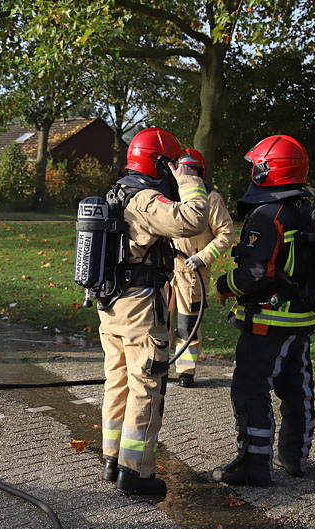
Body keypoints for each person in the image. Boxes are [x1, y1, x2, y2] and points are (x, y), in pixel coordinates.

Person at [99, 128, 209, 496]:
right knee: (146, 385)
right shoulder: (145, 199)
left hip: (112, 304)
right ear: (161, 163)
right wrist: (190, 181)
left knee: (117, 382)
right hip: (140, 309)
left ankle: (112, 459)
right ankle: (137, 473)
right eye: (172, 163)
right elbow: (192, 220)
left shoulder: (117, 192)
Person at [212, 134, 315, 486]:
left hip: (266, 321)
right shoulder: (305, 209)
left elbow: (256, 273)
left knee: (250, 387)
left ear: (266, 170)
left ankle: (254, 464)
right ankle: (296, 458)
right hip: (300, 318)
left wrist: (225, 285)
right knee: (296, 388)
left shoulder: (267, 214)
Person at [170, 149, 235, 388]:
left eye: (190, 171)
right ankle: (157, 364)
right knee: (159, 320)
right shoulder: (170, 194)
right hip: (167, 269)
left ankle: (185, 371)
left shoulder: (211, 198)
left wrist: (203, 257)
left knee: (187, 325)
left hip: (191, 273)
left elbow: (226, 233)